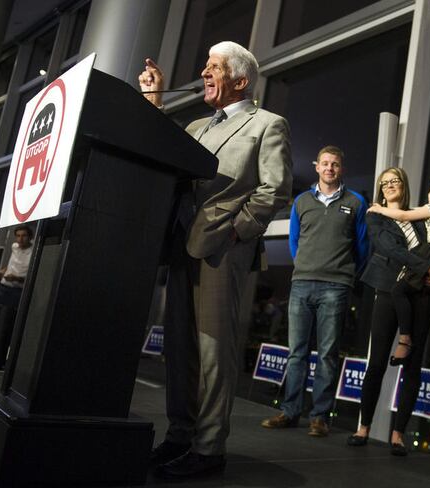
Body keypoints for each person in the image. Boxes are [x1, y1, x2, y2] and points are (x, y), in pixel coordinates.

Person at [138, 41, 292, 478]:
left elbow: (275, 189)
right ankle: (180, 436)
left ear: (240, 80)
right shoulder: (195, 127)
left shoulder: (267, 124)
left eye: (214, 67)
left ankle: (208, 449)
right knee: (179, 348)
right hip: (180, 246)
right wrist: (153, 100)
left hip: (222, 249)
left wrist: (236, 230)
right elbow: (161, 153)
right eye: (205, 66)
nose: (204, 72)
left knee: (212, 351)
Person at [261, 145, 369, 436]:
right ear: (317, 167)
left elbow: (362, 247)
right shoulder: (301, 201)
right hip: (302, 283)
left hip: (336, 285)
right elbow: (294, 242)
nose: (330, 168)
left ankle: (319, 417)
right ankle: (290, 411)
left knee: (327, 355)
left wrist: (345, 273)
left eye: (335, 164)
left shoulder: (356, 202)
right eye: (325, 163)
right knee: (296, 353)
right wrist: (305, 267)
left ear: (341, 169)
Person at [346, 167, 430, 456]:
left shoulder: (420, 215)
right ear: (381, 189)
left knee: (413, 366)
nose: (390, 185)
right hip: (387, 289)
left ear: (404, 185)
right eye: (385, 183)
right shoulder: (375, 215)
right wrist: (427, 267)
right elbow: (390, 248)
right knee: (377, 362)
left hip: (422, 294)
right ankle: (363, 428)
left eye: (395, 181)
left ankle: (398, 435)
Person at [367, 174, 430, 365]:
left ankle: (405, 338)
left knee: (398, 290)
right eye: (384, 183)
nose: (428, 193)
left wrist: (379, 208)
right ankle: (405, 341)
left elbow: (403, 216)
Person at [0, 225, 33, 308]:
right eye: (18, 236)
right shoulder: (14, 246)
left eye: (24, 236)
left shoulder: (33, 252)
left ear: (30, 237)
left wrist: (16, 278)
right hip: (2, 285)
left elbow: (33, 276)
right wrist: (4, 270)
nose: (20, 239)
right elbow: (13, 263)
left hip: (18, 290)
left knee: (7, 312)